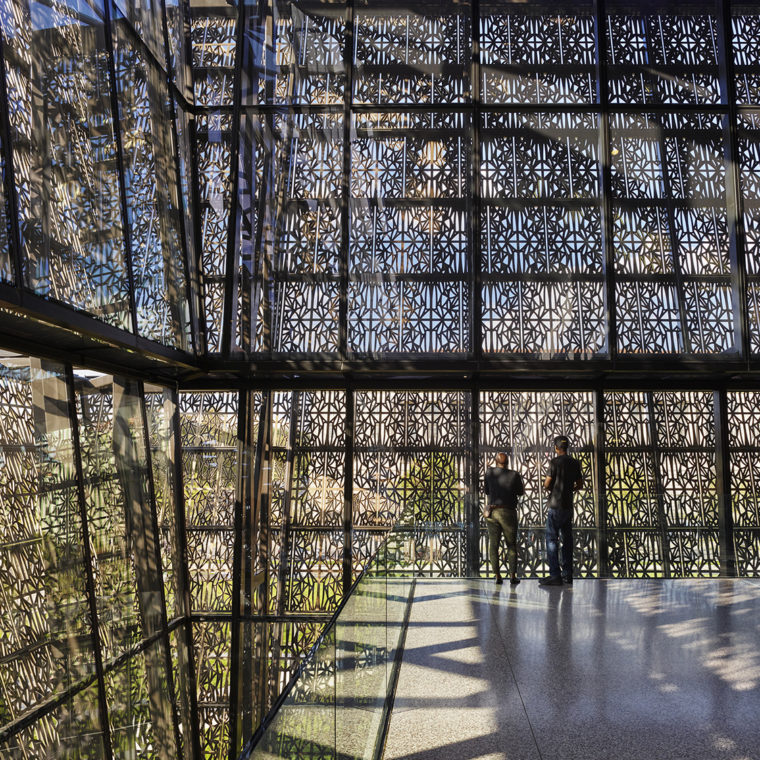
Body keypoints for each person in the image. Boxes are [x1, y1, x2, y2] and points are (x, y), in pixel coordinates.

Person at [539, 435, 583, 586]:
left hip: (555, 506)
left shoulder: (554, 462)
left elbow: (546, 483)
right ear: (567, 447)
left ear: (556, 448)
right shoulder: (575, 463)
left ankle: (555, 575)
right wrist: (569, 489)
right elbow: (580, 484)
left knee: (552, 540)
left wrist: (554, 489)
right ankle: (568, 574)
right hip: (568, 506)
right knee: (567, 540)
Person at [484, 450, 524, 585]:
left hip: (493, 513)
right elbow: (521, 492)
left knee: (493, 545)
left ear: (496, 461)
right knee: (511, 545)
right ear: (507, 462)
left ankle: (497, 576)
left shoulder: (489, 473)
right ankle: (512, 576)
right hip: (508, 513)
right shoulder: (514, 475)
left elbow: (487, 491)